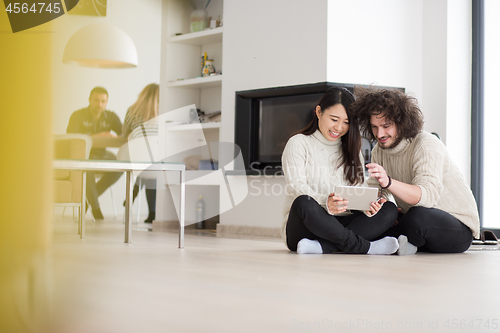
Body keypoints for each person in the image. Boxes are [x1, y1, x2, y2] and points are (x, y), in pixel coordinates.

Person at [351, 87, 480, 255]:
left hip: (457, 227)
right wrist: (378, 204)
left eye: (386, 126)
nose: (379, 133)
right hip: (414, 217)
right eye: (374, 127)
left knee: (417, 218)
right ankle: (403, 242)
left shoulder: (426, 144)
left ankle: (400, 241)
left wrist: (389, 182)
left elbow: (427, 198)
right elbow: (378, 190)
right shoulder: (379, 151)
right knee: (382, 216)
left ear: (402, 122)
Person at [281, 87, 399, 255]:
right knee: (303, 202)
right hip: (307, 227)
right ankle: (366, 247)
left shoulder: (352, 149)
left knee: (389, 209)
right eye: (334, 119)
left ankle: (322, 247)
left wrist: (367, 206)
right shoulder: (298, 143)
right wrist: (325, 202)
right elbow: (296, 186)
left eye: (346, 122)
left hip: (342, 224)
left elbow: (357, 190)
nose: (339, 127)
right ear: (319, 112)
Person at [67, 87, 123, 220]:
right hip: (83, 156)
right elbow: (71, 136)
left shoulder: (111, 116)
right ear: (89, 100)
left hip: (102, 154)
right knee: (88, 167)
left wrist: (116, 137)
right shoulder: (77, 115)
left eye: (103, 101)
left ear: (107, 102)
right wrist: (99, 135)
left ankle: (89, 199)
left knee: (121, 165)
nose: (100, 104)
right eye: (96, 100)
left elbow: (123, 135)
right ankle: (96, 209)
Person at [122, 83, 160, 223]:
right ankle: (152, 212)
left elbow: (124, 133)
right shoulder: (163, 111)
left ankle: (131, 198)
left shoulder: (132, 111)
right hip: (156, 159)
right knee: (151, 168)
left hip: (136, 158)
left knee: (145, 167)